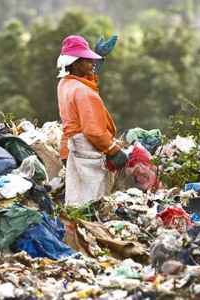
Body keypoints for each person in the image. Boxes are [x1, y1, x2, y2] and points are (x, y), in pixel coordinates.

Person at [56, 35, 126, 206]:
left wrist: (98, 60)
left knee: (77, 194)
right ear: (75, 63)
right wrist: (113, 150)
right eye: (88, 60)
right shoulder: (82, 92)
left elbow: (85, 81)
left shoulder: (65, 84)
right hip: (88, 147)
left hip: (73, 145)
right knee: (93, 197)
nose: (92, 63)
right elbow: (93, 131)